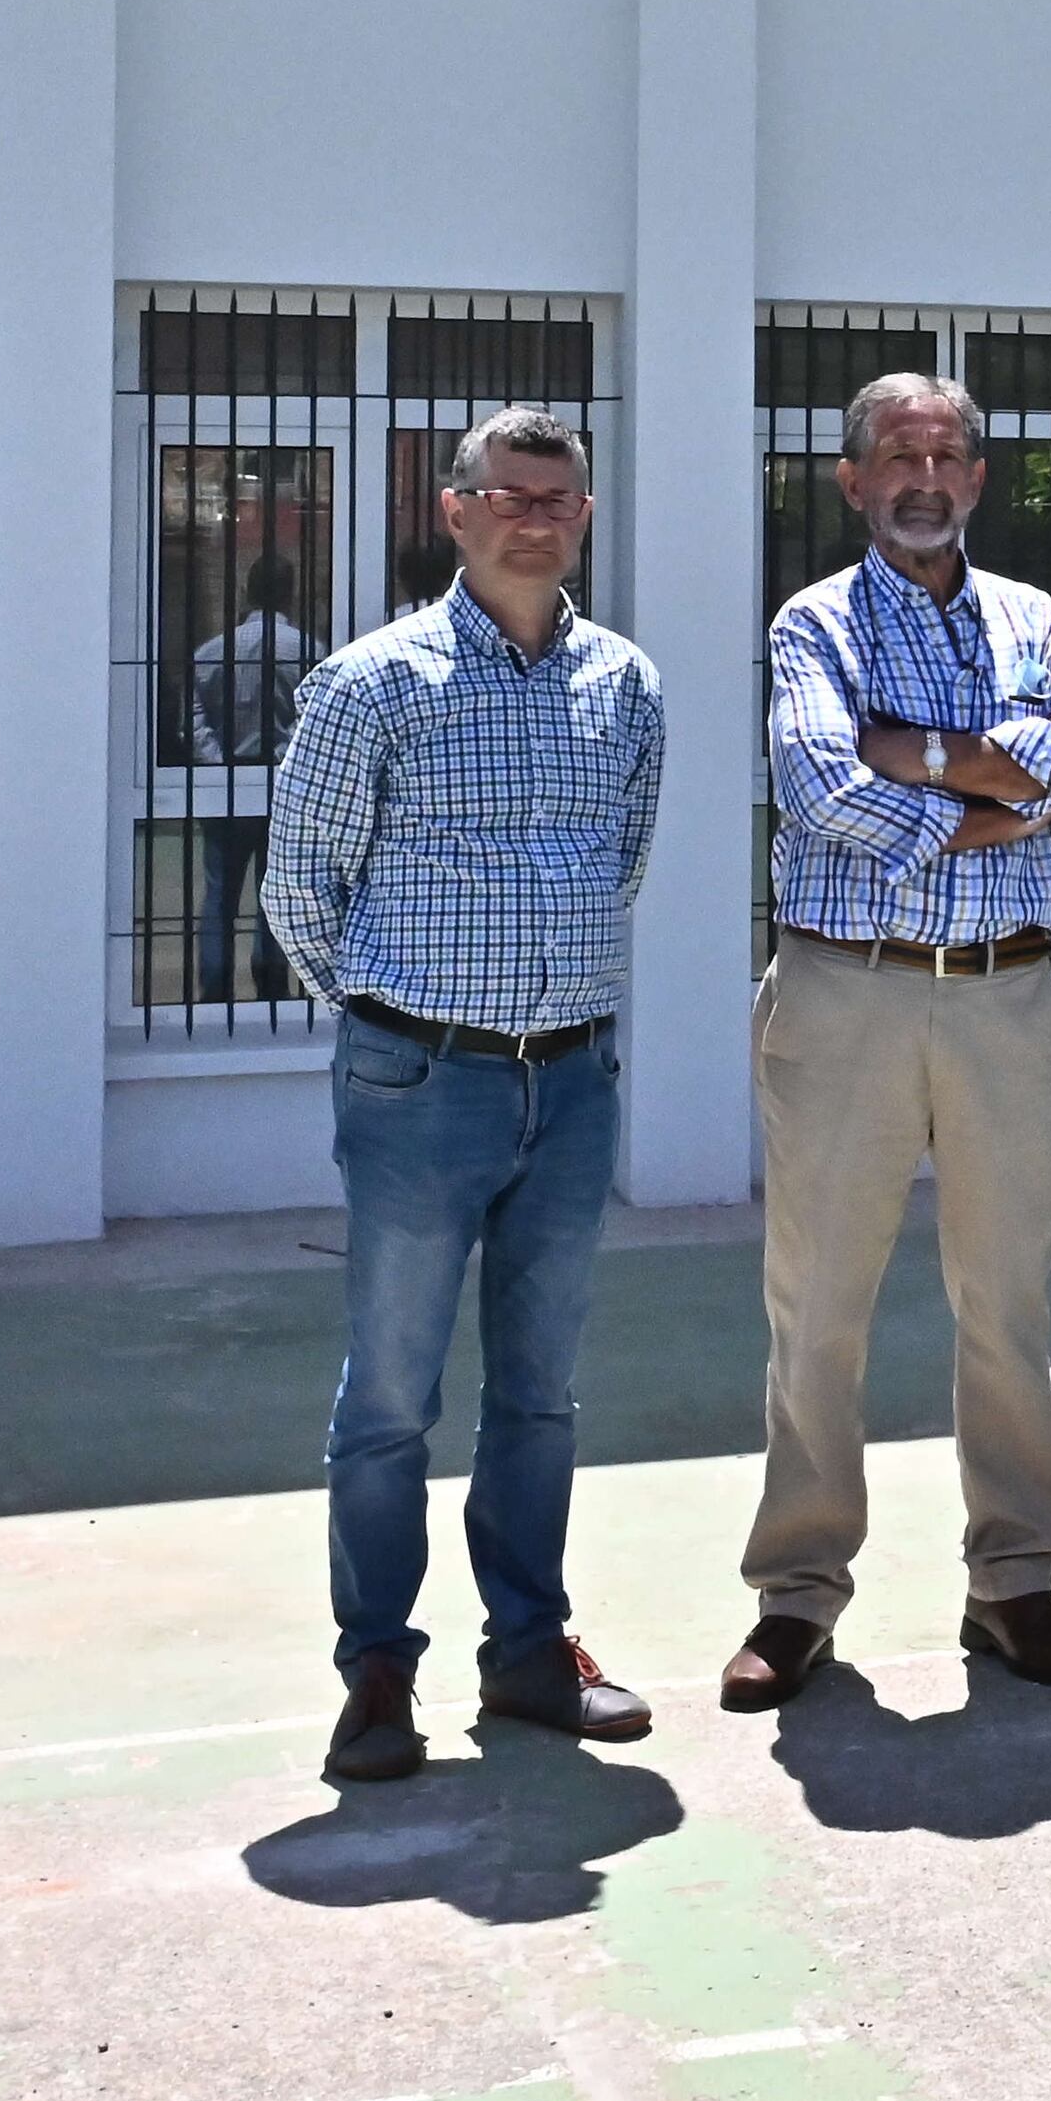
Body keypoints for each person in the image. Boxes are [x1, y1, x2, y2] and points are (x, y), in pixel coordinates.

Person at [257, 406, 665, 1785]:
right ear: (455, 510)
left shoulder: (626, 685)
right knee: (391, 1394)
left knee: (541, 1393)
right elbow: (301, 890)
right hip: (422, 1080)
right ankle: (377, 1669)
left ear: (586, 518)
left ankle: (529, 1654)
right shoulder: (374, 684)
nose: (533, 516)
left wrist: (549, 1009)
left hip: (574, 1078)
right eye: (509, 493)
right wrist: (393, 1021)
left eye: (559, 497)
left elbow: (622, 861)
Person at [726, 372, 1051, 1712]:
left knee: (1006, 1306)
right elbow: (822, 785)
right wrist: (1002, 799)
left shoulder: (1031, 617)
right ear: (850, 482)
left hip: (1007, 1000)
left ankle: (1014, 1579)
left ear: (978, 479)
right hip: (849, 997)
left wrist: (933, 755)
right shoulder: (813, 624)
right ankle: (798, 1593)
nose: (923, 479)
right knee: (818, 1311)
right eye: (897, 456)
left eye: (947, 456)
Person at [188, 548, 321, 1006]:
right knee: (276, 894)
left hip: (224, 786)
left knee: (219, 894)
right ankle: (271, 986)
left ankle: (215, 988)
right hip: (282, 788)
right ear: (290, 592)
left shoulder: (212, 651)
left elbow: (193, 718)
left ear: (247, 591)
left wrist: (217, 763)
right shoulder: (309, 652)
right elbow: (314, 721)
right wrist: (287, 762)